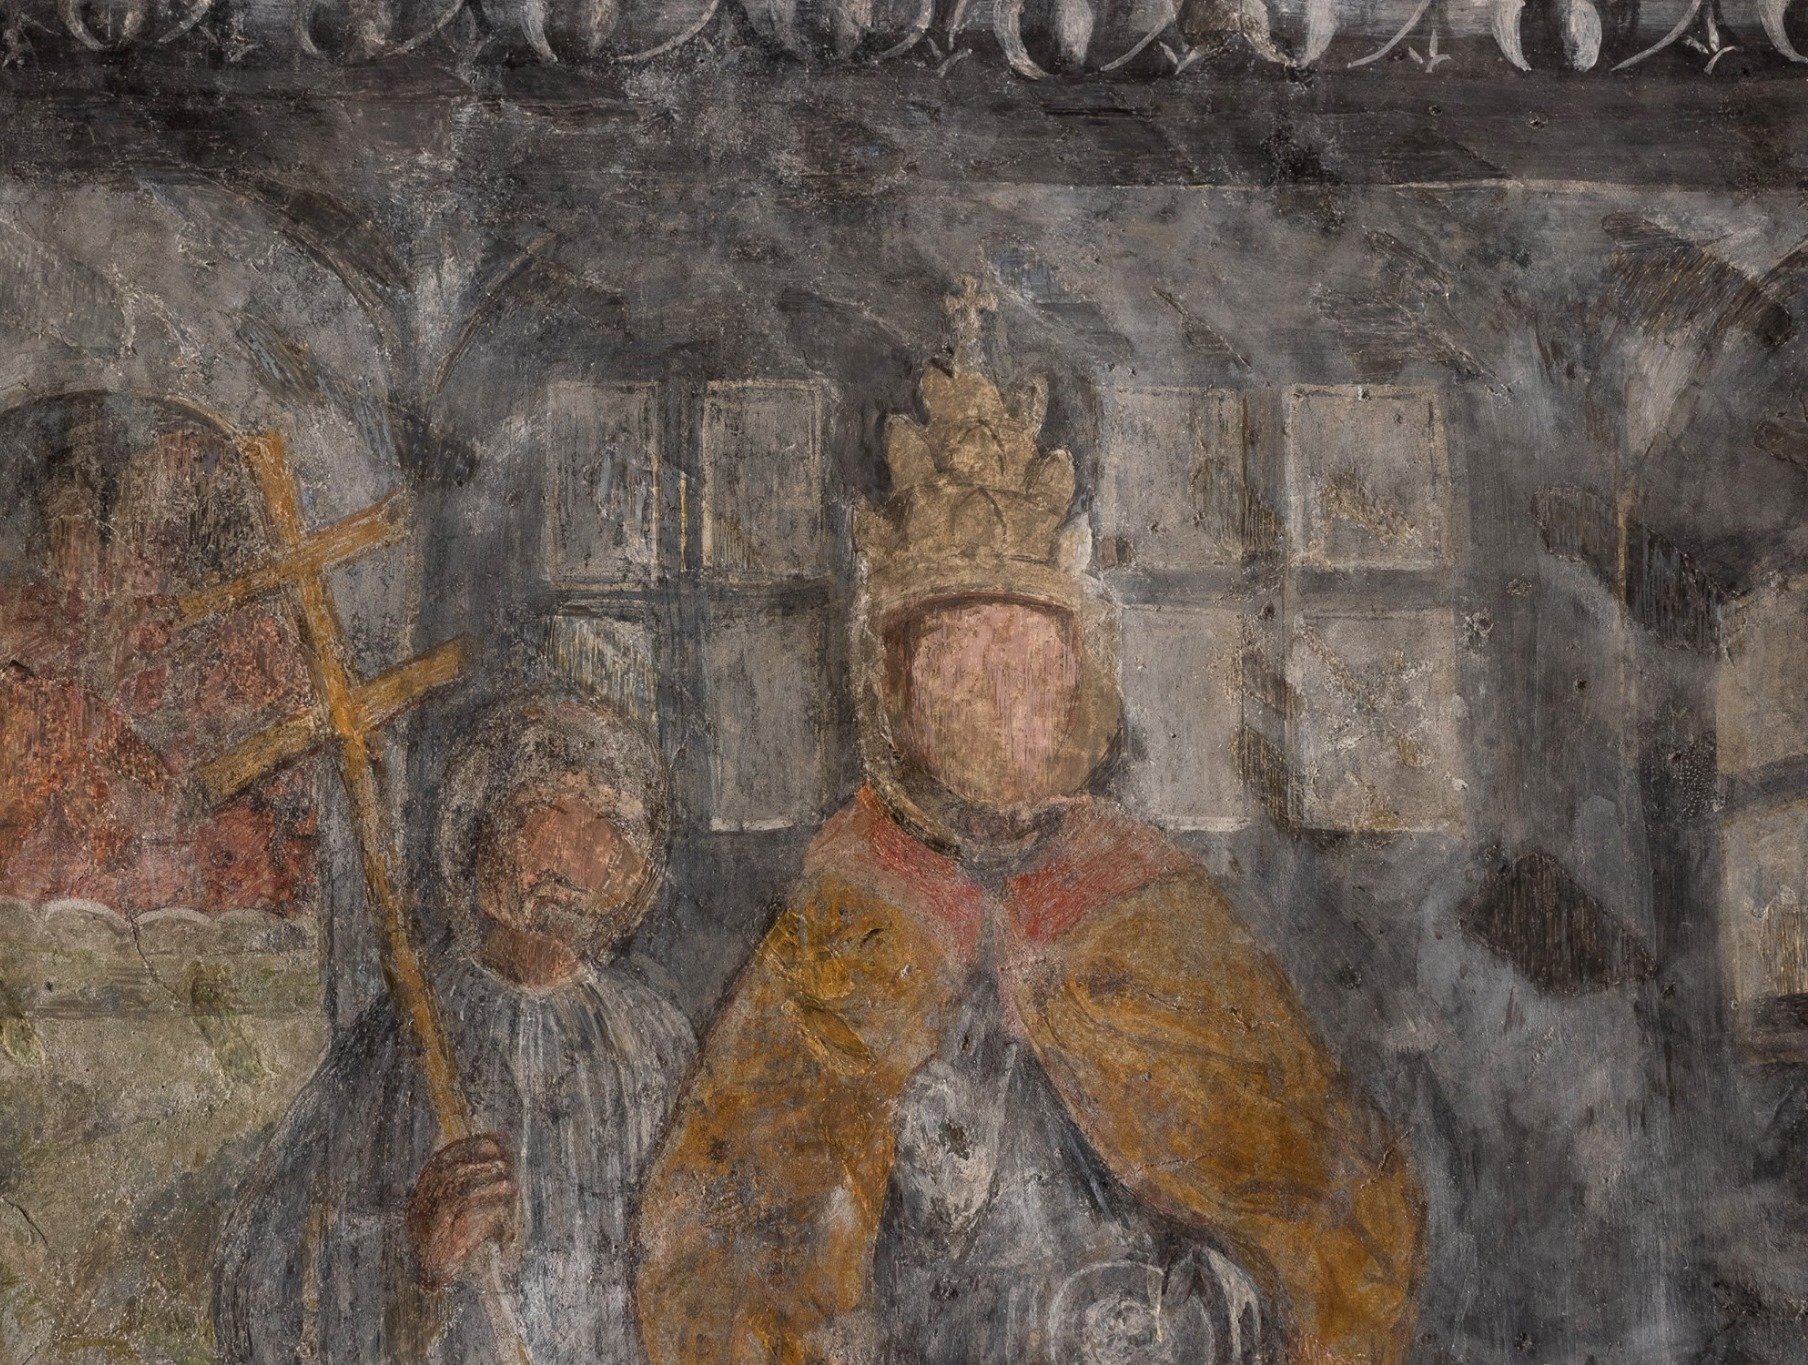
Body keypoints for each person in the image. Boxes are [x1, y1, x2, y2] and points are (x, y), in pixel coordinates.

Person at [636, 357, 1425, 1364]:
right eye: (957, 667)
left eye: (1026, 666)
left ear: (1075, 690)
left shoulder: (1149, 900)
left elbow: (1338, 1215)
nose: (996, 703)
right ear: (896, 693)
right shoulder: (844, 910)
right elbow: (721, 1242)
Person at [214, 692, 694, 1363]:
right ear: (478, 836)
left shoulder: (661, 1048)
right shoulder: (401, 1040)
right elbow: (260, 1273)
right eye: (539, 811)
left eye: (608, 824)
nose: (570, 852)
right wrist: (413, 1256)